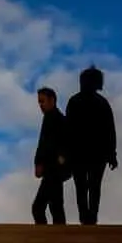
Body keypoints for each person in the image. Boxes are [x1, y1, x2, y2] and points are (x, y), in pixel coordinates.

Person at [63, 65, 117, 225]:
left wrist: (66, 155)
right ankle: (91, 218)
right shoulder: (102, 103)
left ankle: (85, 217)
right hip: (97, 155)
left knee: (82, 187)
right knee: (94, 187)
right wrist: (112, 154)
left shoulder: (74, 101)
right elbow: (110, 131)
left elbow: (68, 132)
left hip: (79, 154)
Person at [30, 87, 70, 225]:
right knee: (55, 206)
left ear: (52, 100)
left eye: (42, 101)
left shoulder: (57, 119)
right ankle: (56, 240)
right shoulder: (50, 118)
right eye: (39, 102)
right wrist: (38, 163)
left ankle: (50, 240)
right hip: (52, 169)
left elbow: (49, 144)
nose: (40, 105)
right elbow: (43, 144)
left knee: (39, 207)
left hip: (54, 169)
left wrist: (62, 156)